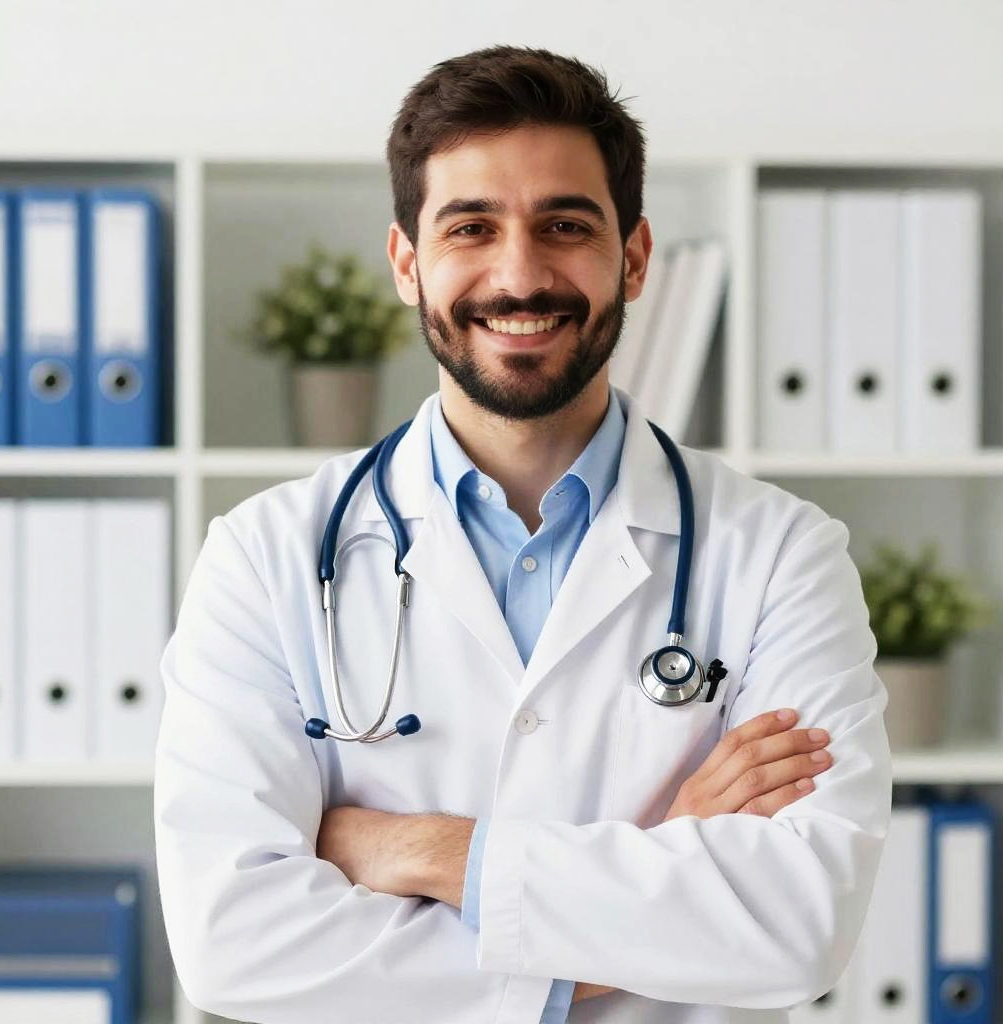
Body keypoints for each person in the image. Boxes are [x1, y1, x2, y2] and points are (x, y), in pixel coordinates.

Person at [154, 44, 892, 1024]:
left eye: (564, 225)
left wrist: (420, 849)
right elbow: (231, 943)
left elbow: (796, 928)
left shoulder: (780, 556)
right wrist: (642, 896)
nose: (519, 272)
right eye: (471, 227)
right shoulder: (263, 556)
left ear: (631, 258)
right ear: (407, 264)